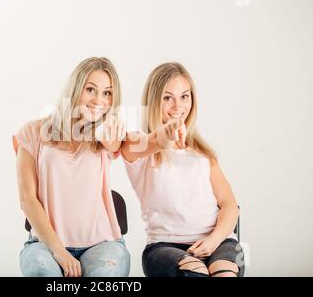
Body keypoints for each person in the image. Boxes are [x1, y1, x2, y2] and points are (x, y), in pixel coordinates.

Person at [121, 62, 244, 277]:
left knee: (224, 273)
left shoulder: (203, 153)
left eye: (184, 96)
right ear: (153, 102)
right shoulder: (139, 145)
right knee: (195, 272)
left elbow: (230, 205)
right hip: (163, 248)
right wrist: (165, 136)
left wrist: (213, 240)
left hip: (218, 241)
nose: (178, 106)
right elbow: (148, 142)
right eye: (167, 98)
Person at [13, 57, 130, 277]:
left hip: (102, 244)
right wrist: (59, 251)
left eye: (107, 93)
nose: (99, 100)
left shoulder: (105, 135)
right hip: (45, 244)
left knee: (105, 274)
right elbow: (27, 199)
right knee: (43, 272)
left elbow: (119, 143)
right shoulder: (32, 132)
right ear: (75, 89)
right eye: (90, 90)